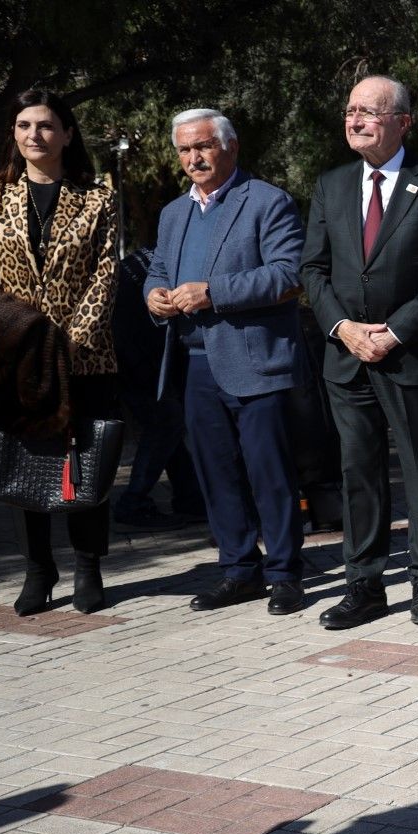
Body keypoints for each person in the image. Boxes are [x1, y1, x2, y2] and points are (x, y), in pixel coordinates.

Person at [300, 76, 418, 630]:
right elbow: (312, 269)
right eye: (350, 110)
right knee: (358, 473)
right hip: (346, 356)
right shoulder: (331, 185)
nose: (355, 120)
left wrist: (394, 333)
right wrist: (343, 328)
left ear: (403, 121)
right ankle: (365, 585)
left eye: (369, 111)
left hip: (412, 356)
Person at [146, 109, 309, 615]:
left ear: (230, 147)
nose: (193, 158)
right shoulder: (174, 213)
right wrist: (153, 296)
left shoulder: (267, 201)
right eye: (184, 150)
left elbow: (288, 275)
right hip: (195, 364)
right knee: (215, 475)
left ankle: (285, 575)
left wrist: (213, 293)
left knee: (269, 474)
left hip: (256, 360)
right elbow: (157, 269)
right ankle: (239, 570)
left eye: (203, 146)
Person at [0, 90, 122, 615]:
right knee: (21, 460)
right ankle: (38, 569)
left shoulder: (98, 197)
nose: (35, 135)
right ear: (14, 133)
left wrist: (69, 342)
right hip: (16, 357)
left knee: (86, 459)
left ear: (67, 134)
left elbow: (105, 276)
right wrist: (19, 338)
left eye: (47, 125)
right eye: (25, 125)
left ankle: (88, 566)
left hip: (85, 355)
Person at [111, 240, 207, 531]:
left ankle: (189, 498)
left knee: (168, 422)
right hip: (133, 352)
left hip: (126, 349)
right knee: (166, 422)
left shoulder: (154, 256)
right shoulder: (176, 261)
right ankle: (133, 501)